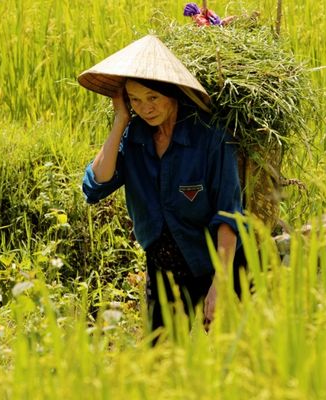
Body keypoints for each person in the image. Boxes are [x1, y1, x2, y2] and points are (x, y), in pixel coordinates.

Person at [78, 35, 245, 341]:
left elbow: (228, 214)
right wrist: (120, 120)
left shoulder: (210, 140)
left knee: (225, 365)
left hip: (214, 265)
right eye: (136, 99)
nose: (146, 108)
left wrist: (219, 285)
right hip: (163, 269)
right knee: (163, 362)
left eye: (153, 97)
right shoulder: (135, 138)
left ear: (173, 94)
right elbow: (95, 186)